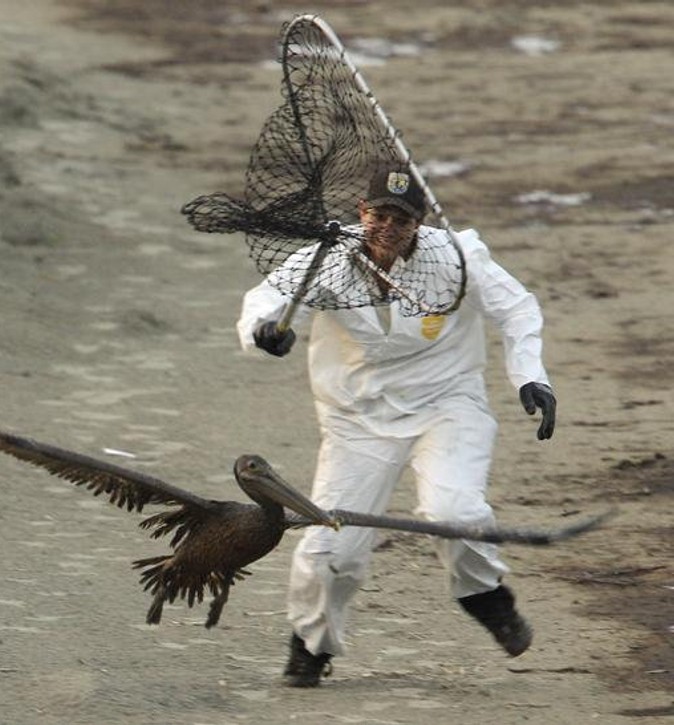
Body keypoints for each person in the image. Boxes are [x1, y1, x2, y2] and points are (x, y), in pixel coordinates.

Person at [236, 162, 557, 687]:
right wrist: (264, 332)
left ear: (419, 225)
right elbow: (264, 302)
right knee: (329, 549)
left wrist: (530, 377)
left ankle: (486, 598)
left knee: (454, 511)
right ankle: (312, 646)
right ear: (362, 212)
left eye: (401, 220)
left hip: (447, 405)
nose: (388, 229)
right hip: (356, 420)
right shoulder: (326, 255)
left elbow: (517, 309)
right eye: (379, 214)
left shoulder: (456, 257)